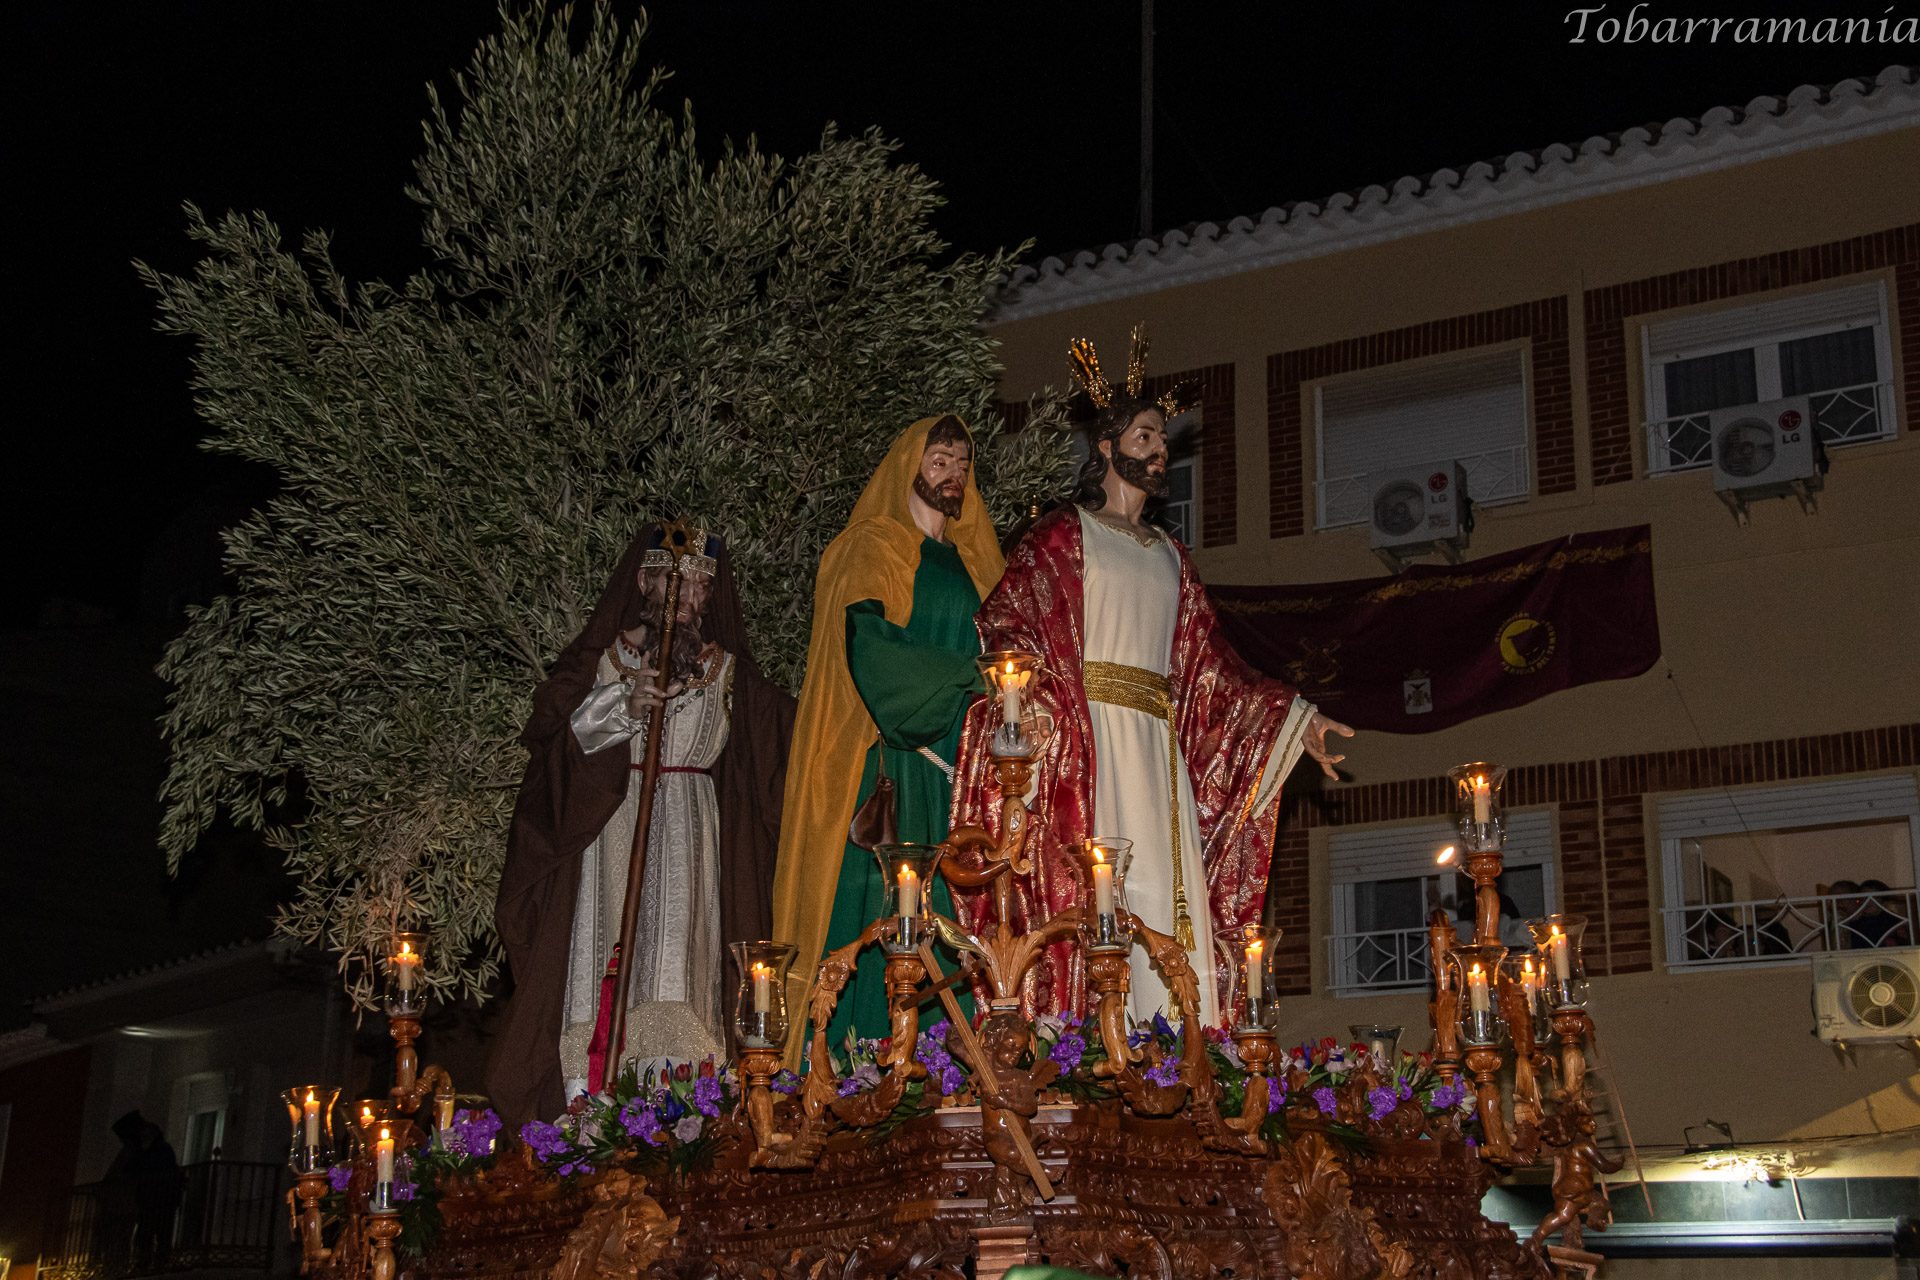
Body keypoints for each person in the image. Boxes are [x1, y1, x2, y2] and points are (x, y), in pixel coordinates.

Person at [951, 327, 1352, 1024]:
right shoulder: (1064, 534)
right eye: (1145, 437)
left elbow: (1212, 667)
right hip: (1088, 740)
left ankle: (1175, 1041)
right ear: (1107, 448)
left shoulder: (1172, 556)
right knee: (1096, 885)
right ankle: (1092, 1035)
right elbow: (1011, 621)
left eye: (1163, 440)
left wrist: (1294, 720)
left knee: (1165, 886)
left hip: (1159, 748)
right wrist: (1028, 699)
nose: (1160, 450)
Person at [489, 523, 795, 1124]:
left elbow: (793, 745)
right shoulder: (602, 663)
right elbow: (551, 745)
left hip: (691, 840)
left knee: (680, 971)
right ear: (642, 581)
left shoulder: (729, 675)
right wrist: (618, 709)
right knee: (598, 966)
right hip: (609, 836)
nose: (685, 597)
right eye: (672, 581)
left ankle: (680, 1115)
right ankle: (589, 1114)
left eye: (699, 586)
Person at [771, 416, 1005, 1060]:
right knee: (876, 908)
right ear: (908, 466)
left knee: (952, 922)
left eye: (962, 462)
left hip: (958, 771)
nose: (953, 472)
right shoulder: (872, 546)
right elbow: (870, 648)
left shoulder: (977, 564)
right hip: (891, 763)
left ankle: (945, 1065)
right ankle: (855, 1066)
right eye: (939, 459)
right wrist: (970, 675)